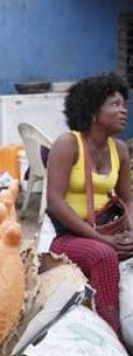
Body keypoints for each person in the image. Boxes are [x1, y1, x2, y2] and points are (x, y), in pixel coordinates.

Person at [46, 72, 133, 336]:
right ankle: (111, 334)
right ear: (94, 111)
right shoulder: (68, 143)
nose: (124, 111)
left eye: (123, 104)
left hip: (108, 232)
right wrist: (98, 238)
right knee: (103, 256)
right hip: (69, 237)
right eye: (114, 104)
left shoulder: (120, 149)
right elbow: (54, 201)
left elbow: (128, 199)